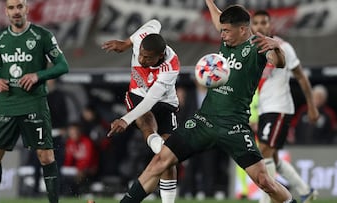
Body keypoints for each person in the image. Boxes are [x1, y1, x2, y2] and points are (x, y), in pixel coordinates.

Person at [113, 1, 298, 202]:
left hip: (234, 126)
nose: (222, 34)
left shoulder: (258, 47)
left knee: (264, 181)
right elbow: (218, 18)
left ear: (243, 29)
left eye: (226, 31)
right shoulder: (227, 39)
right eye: (222, 30)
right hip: (204, 120)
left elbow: (279, 62)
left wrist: (277, 49)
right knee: (160, 162)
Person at [0, 0, 69, 203]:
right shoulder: (0, 39)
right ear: (6, 11)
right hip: (7, 103)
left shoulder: (43, 35)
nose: (16, 11)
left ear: (26, 9)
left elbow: (63, 66)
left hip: (34, 103)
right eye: (11, 7)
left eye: (19, 6)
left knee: (46, 157)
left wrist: (38, 76)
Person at [102, 19, 179, 203]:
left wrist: (125, 120)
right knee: (146, 122)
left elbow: (152, 99)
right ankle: (160, 148)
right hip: (137, 95)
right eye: (141, 55)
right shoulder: (143, 38)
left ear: (160, 56)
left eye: (148, 58)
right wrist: (127, 43)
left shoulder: (171, 66)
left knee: (168, 161)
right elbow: (155, 22)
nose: (142, 59)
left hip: (166, 103)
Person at [251, 10, 320, 203]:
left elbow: (300, 76)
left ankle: (266, 200)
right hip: (265, 108)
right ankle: (305, 191)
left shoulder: (283, 47)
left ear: (270, 25)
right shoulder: (251, 49)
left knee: (263, 152)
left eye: (264, 22)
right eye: (255, 23)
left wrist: (311, 106)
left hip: (280, 108)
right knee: (274, 158)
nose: (259, 26)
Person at [63, 122, 98, 196]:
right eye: (71, 132)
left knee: (78, 176)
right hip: (76, 170)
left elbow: (89, 160)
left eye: (75, 131)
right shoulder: (69, 143)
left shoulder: (87, 142)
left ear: (79, 131)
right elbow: (68, 160)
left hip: (89, 169)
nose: (73, 134)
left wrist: (81, 169)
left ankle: (76, 194)